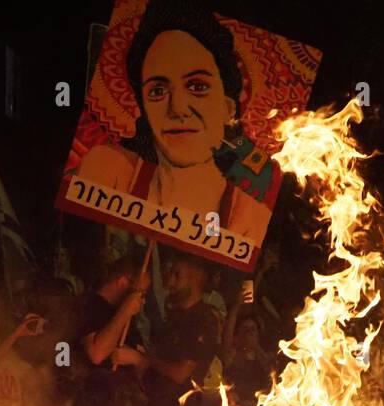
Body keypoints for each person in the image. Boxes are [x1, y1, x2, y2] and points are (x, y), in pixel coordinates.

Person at [74, 0, 272, 247]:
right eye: (157, 91)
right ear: (144, 108)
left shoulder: (248, 218)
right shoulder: (110, 171)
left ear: (228, 108)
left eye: (197, 86)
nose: (177, 108)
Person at [113, 251, 222, 406]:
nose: (170, 282)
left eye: (177, 275)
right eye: (170, 274)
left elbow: (181, 372)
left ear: (196, 278)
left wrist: (144, 360)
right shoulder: (174, 316)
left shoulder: (204, 320)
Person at [70, 256, 150, 406]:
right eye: (140, 293)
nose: (142, 301)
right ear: (122, 282)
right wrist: (126, 310)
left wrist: (136, 359)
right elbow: (97, 353)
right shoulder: (88, 306)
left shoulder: (130, 322)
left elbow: (144, 365)